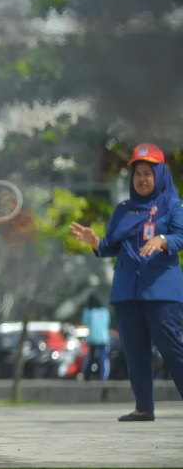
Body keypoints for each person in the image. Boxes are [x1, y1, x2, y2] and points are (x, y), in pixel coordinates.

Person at [69, 143, 183, 421]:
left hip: (161, 291)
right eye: (137, 174)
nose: (141, 179)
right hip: (126, 292)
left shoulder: (173, 205)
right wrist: (94, 241)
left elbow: (181, 236)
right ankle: (144, 407)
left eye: (148, 173)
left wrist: (163, 239)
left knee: (172, 348)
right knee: (134, 351)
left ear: (160, 175)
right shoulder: (123, 209)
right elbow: (110, 246)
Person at [81, 295, 111, 381]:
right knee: (103, 358)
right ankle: (103, 378)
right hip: (103, 338)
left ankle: (87, 375)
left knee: (91, 357)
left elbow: (85, 322)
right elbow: (107, 323)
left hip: (93, 338)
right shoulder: (104, 311)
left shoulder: (88, 311)